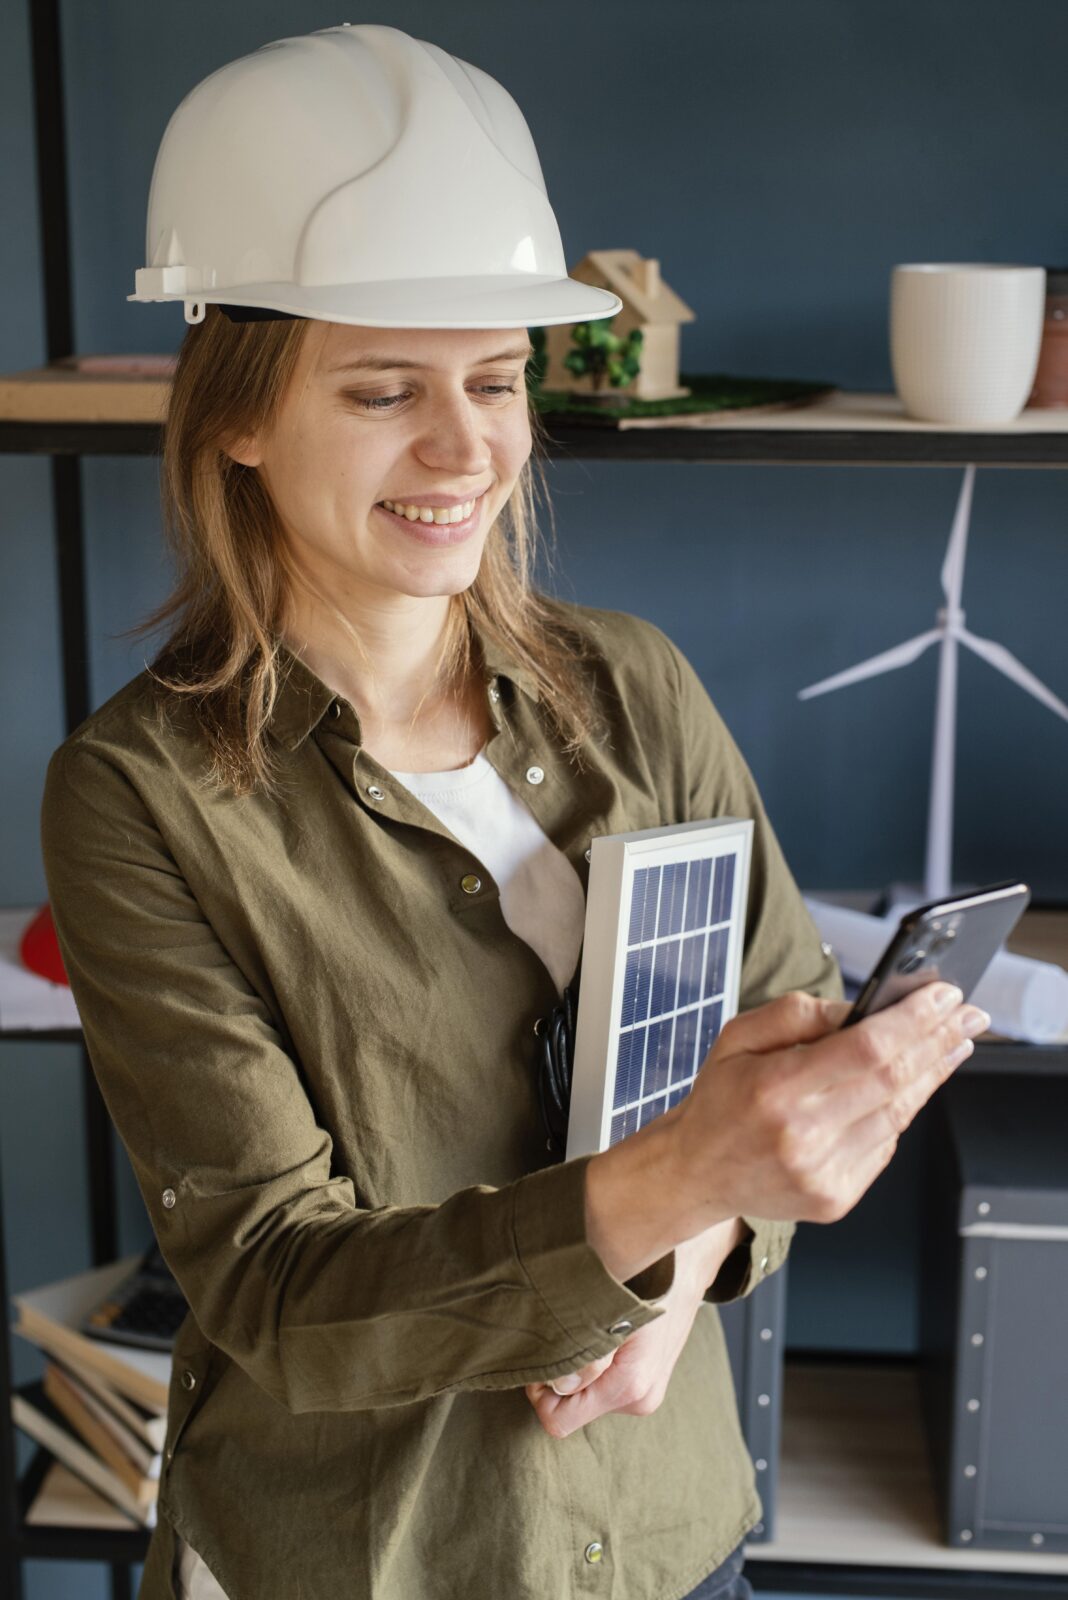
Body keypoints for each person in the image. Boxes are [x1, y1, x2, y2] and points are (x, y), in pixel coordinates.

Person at [39, 25, 986, 1600]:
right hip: (360, 1559)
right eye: (383, 389)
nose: (465, 445)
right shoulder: (141, 802)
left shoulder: (637, 691)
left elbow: (774, 1024)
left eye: (495, 378)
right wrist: (684, 1182)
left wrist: (681, 1272)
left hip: (670, 1539)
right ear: (238, 418)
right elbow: (275, 1290)